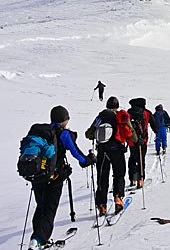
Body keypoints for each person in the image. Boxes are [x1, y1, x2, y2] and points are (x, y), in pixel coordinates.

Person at [28, 106, 96, 250]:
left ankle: (39, 238)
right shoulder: (64, 134)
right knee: (49, 209)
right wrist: (89, 160)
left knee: (40, 206)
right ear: (65, 120)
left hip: (37, 176)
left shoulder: (42, 132)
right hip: (54, 178)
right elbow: (77, 155)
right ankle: (38, 240)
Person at [85, 97, 136, 215]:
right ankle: (118, 198)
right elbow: (130, 134)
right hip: (117, 150)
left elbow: (89, 134)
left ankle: (101, 205)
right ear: (117, 106)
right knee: (119, 174)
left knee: (102, 178)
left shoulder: (101, 116)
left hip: (102, 152)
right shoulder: (120, 116)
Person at [127, 98, 157, 188]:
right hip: (143, 140)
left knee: (132, 158)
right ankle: (140, 179)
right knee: (141, 158)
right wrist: (157, 133)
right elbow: (154, 125)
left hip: (131, 140)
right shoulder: (146, 112)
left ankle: (132, 179)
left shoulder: (129, 113)